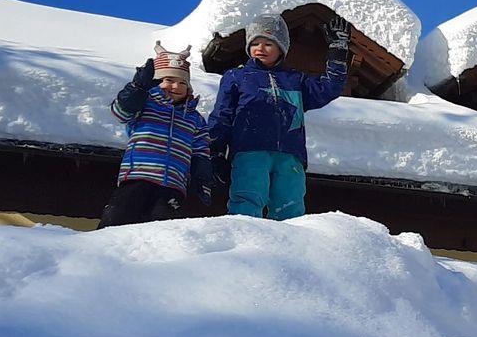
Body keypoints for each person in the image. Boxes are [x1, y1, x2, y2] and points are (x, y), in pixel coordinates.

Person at [208, 12, 350, 220]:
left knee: (290, 207)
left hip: (290, 154)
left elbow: (329, 88)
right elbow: (222, 115)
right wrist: (215, 151)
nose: (260, 48)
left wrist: (338, 51)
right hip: (250, 150)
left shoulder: (296, 80)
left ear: (282, 48)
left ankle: (289, 241)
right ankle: (245, 238)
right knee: (247, 201)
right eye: (255, 43)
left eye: (268, 43)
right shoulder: (237, 77)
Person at [98, 42, 216, 228]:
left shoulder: (194, 118)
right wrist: (138, 88)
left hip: (173, 186)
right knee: (118, 219)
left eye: (183, 82)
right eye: (169, 80)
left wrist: (202, 177)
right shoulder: (145, 104)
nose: (176, 86)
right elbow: (120, 112)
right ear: (156, 81)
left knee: (160, 228)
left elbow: (200, 150)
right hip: (138, 176)